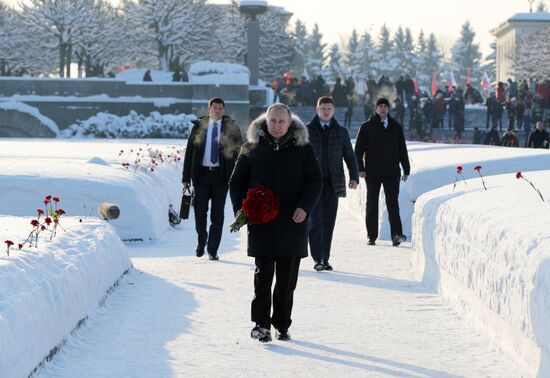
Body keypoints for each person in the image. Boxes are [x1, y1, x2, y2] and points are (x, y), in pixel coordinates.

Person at [229, 103, 322, 343]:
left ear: (290, 122)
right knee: (263, 276)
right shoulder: (252, 147)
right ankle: (261, 324)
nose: (277, 125)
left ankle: (281, 323)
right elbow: (237, 181)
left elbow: (315, 181)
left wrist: (304, 207)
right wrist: (241, 209)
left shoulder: (303, 148)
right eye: (273, 121)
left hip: (293, 222)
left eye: (282, 121)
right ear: (266, 121)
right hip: (262, 222)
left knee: (286, 281)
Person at [182, 97, 243, 260]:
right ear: (209, 109)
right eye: (215, 108)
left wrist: (241, 174)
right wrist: (186, 177)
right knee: (199, 212)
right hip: (201, 175)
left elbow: (240, 153)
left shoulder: (231, 128)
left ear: (224, 110)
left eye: (220, 108)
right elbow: (189, 152)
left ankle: (213, 249)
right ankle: (202, 240)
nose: (217, 111)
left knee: (218, 215)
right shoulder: (199, 127)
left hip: (221, 177)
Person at [306, 96, 358, 272]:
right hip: (313, 183)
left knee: (329, 221)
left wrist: (354, 177)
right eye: (323, 108)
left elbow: (350, 156)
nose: (326, 111)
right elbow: (299, 158)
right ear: (317, 109)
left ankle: (324, 258)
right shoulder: (307, 131)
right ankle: (317, 257)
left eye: (329, 108)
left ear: (333, 110)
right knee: (315, 220)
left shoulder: (341, 132)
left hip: (333, 183)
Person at [354, 97, 410, 247]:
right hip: (372, 171)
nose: (383, 108)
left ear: (389, 109)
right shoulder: (367, 127)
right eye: (380, 106)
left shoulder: (396, 127)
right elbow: (358, 150)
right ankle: (371, 235)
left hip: (392, 171)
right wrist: (360, 168)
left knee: (393, 203)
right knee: (372, 203)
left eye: (385, 106)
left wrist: (406, 168)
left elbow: (402, 149)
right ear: (376, 108)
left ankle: (396, 235)